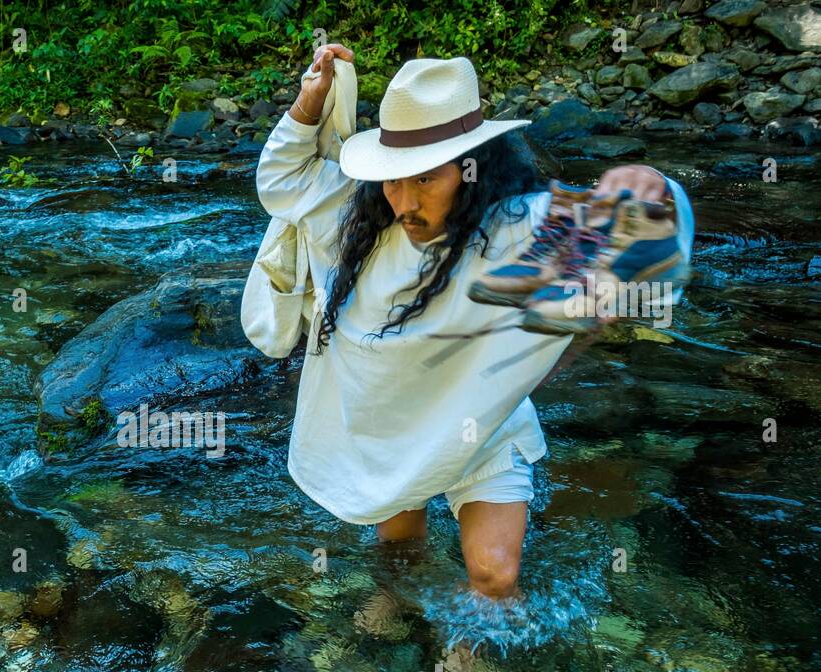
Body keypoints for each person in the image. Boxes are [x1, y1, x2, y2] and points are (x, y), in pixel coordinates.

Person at [250, 45, 694, 600]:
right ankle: (391, 636)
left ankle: (472, 671)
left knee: (494, 576)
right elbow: (280, 180)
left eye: (426, 180)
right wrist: (308, 105)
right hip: (388, 423)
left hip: (480, 424)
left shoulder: (515, 228)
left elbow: (646, 230)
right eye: (394, 179)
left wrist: (649, 180)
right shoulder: (350, 214)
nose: (404, 201)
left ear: (471, 171)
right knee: (401, 552)